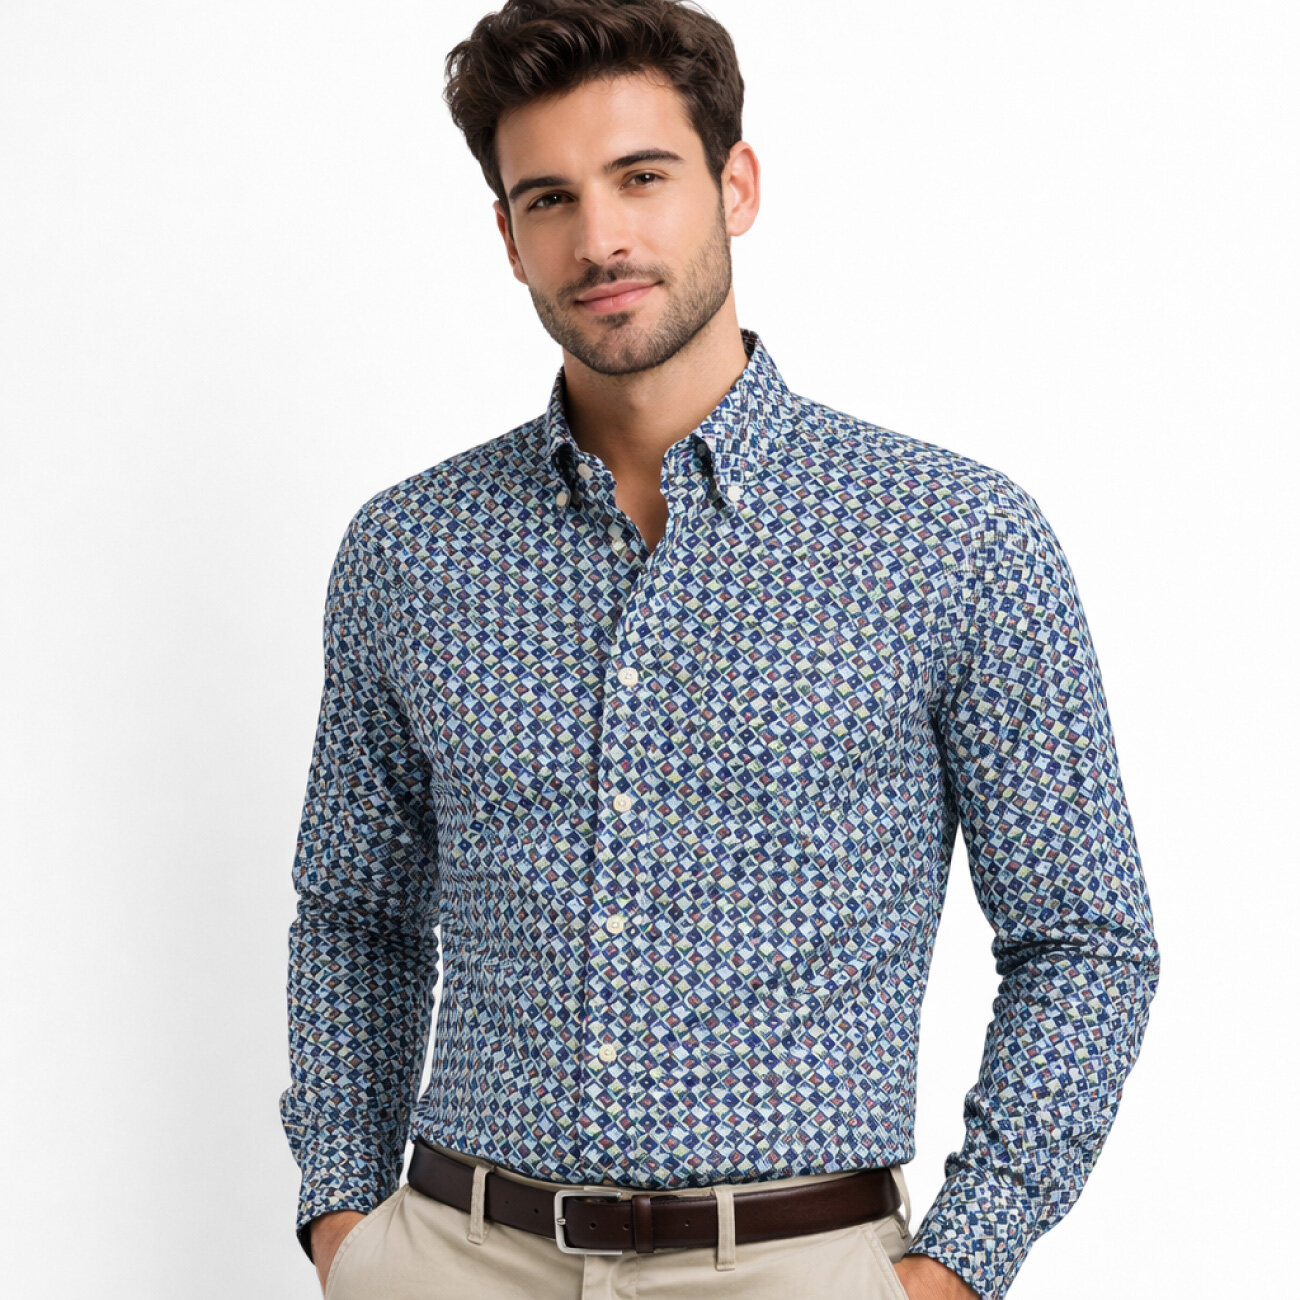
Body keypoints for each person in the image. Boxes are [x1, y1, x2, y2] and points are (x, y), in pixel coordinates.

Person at [279, 2, 1160, 1297]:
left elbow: (1085, 938)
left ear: (735, 186)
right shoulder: (411, 551)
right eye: (549, 199)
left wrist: (960, 1263)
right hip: (454, 1259)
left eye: (642, 177)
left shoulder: (954, 538)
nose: (600, 238)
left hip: (796, 1265)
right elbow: (355, 916)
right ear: (509, 237)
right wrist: (345, 1224)